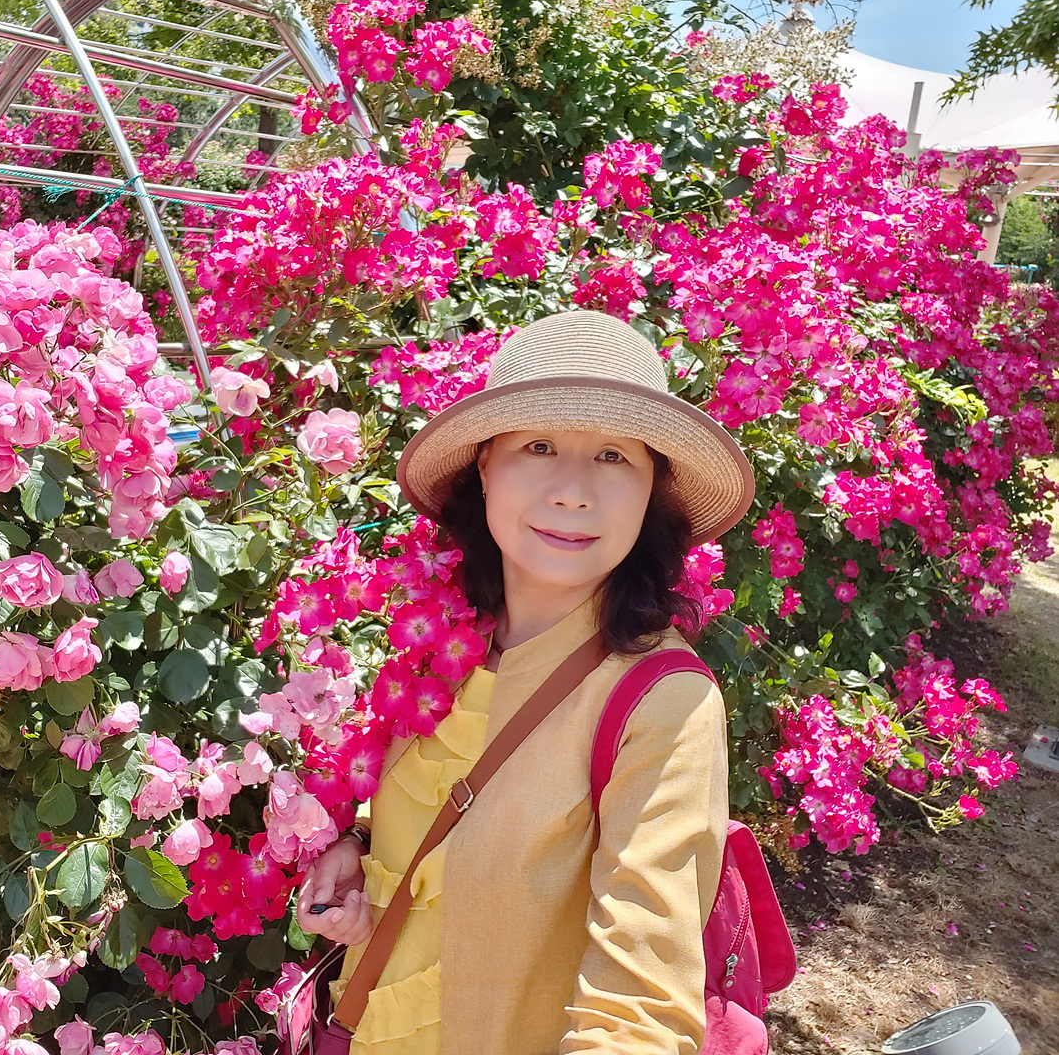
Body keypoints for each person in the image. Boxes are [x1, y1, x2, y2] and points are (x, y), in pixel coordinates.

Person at [293, 310, 756, 1054]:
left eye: (613, 456)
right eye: (538, 446)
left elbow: (638, 1007)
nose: (572, 490)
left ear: (651, 491)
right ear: (484, 468)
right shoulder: (451, 642)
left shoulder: (662, 701)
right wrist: (360, 846)